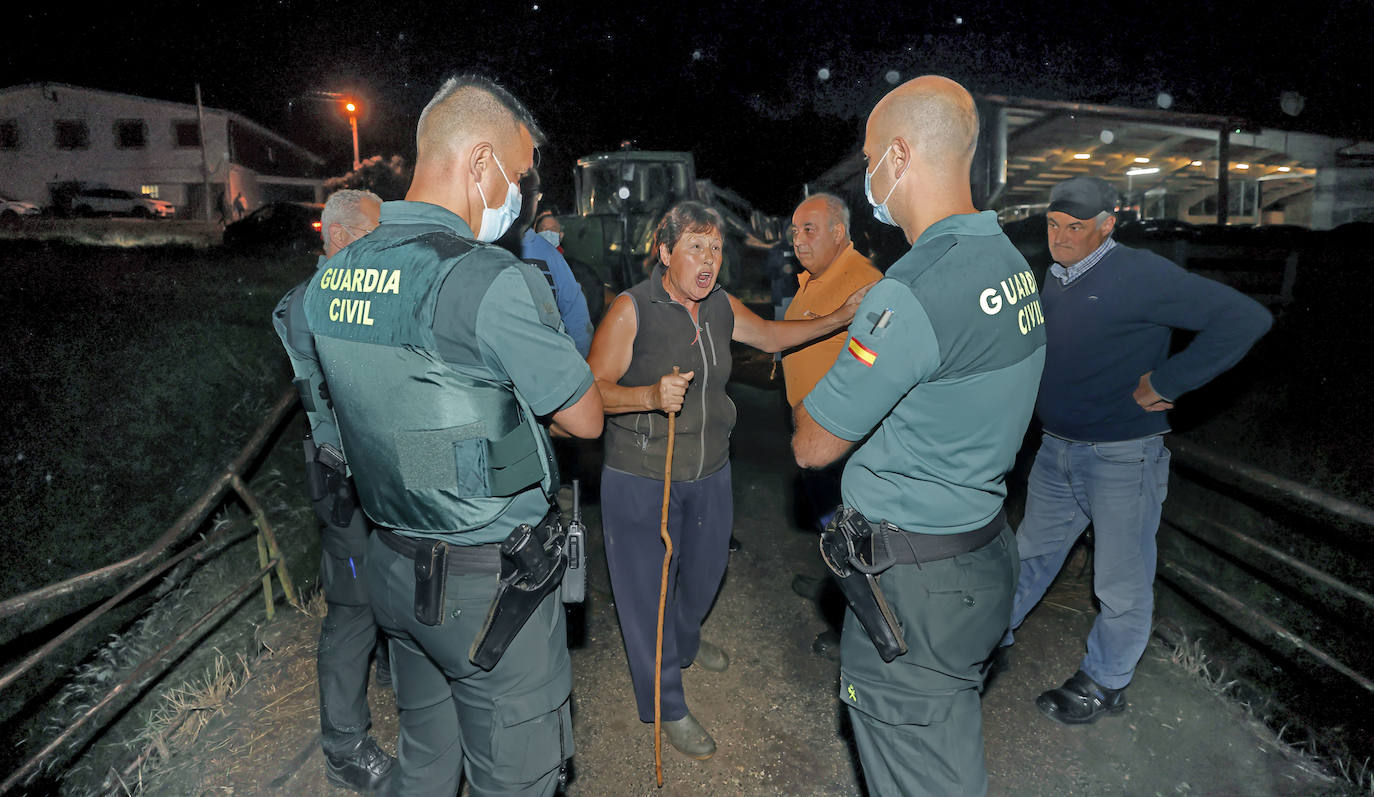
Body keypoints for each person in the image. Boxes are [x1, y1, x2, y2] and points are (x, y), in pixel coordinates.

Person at [302, 74, 604, 797]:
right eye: (521, 172)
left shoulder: (334, 276)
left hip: (393, 571)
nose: (524, 194)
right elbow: (584, 416)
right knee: (518, 778)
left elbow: (383, 420)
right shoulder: (487, 280)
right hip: (489, 592)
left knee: (427, 765)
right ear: (479, 164)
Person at [791, 75, 1046, 797]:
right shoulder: (1006, 260)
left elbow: (813, 442)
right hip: (983, 548)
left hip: (918, 585)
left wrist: (862, 345)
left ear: (899, 156)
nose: (868, 175)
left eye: (871, 157)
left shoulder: (914, 287)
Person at [587, 200, 871, 760]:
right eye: (696, 246)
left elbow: (768, 336)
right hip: (644, 475)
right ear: (665, 253)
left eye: (715, 248)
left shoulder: (717, 304)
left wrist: (841, 317)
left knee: (705, 572)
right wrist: (646, 396)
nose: (709, 259)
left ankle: (685, 642)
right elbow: (590, 391)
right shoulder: (631, 309)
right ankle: (665, 701)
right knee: (648, 599)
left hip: (712, 469)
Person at [1000, 175, 1273, 725]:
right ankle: (983, 641)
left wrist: (1171, 380)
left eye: (1076, 227)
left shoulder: (1141, 273)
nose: (1061, 237)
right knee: (1027, 555)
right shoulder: (1056, 276)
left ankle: (1105, 681)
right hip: (1058, 451)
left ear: (1109, 223)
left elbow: (1246, 318)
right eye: (1054, 225)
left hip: (1121, 456)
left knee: (1119, 579)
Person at [272, 188, 394, 794]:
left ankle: (397, 673)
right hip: (344, 483)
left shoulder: (357, 298)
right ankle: (344, 748)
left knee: (393, 581)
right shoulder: (313, 304)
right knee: (351, 608)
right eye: (376, 236)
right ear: (342, 238)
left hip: (380, 475)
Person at [783, 192, 882, 531]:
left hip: (840, 440)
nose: (798, 241)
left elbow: (880, 369)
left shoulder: (864, 284)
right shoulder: (812, 277)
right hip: (811, 431)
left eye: (808, 230)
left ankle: (854, 582)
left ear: (838, 232)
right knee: (832, 529)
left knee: (852, 536)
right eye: (795, 232)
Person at [501, 169, 594, 356]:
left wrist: (578, 367)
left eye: (534, 196)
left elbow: (576, 317)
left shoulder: (550, 254)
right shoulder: (484, 245)